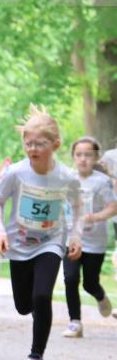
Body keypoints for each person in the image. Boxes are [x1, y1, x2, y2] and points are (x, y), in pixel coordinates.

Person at [0, 105, 83, 360]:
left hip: (50, 242)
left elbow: (78, 207)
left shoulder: (66, 177)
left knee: (42, 296)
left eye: (40, 144)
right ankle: (37, 313)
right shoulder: (16, 172)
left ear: (55, 145)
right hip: (18, 244)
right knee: (24, 305)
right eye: (28, 143)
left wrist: (75, 235)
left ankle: (36, 356)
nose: (33, 149)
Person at [61, 136, 117, 337]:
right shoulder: (66, 178)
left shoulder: (102, 181)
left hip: (95, 241)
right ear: (73, 157)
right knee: (70, 279)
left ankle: (100, 296)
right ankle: (75, 322)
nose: (83, 159)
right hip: (71, 238)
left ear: (96, 158)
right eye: (79, 154)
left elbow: (113, 208)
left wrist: (93, 217)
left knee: (90, 283)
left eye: (88, 155)